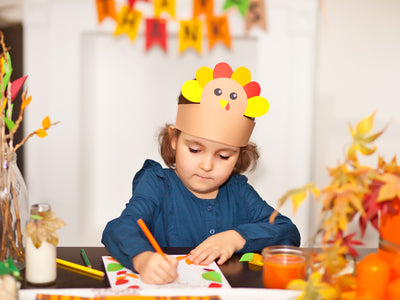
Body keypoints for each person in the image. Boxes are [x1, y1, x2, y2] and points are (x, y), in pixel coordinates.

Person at [102, 62, 300, 285]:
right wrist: (143, 258)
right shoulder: (156, 183)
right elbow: (119, 227)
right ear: (175, 139)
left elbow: (287, 231)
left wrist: (236, 238)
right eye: (195, 150)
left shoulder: (239, 191)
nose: (207, 165)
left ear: (239, 155)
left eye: (223, 156)